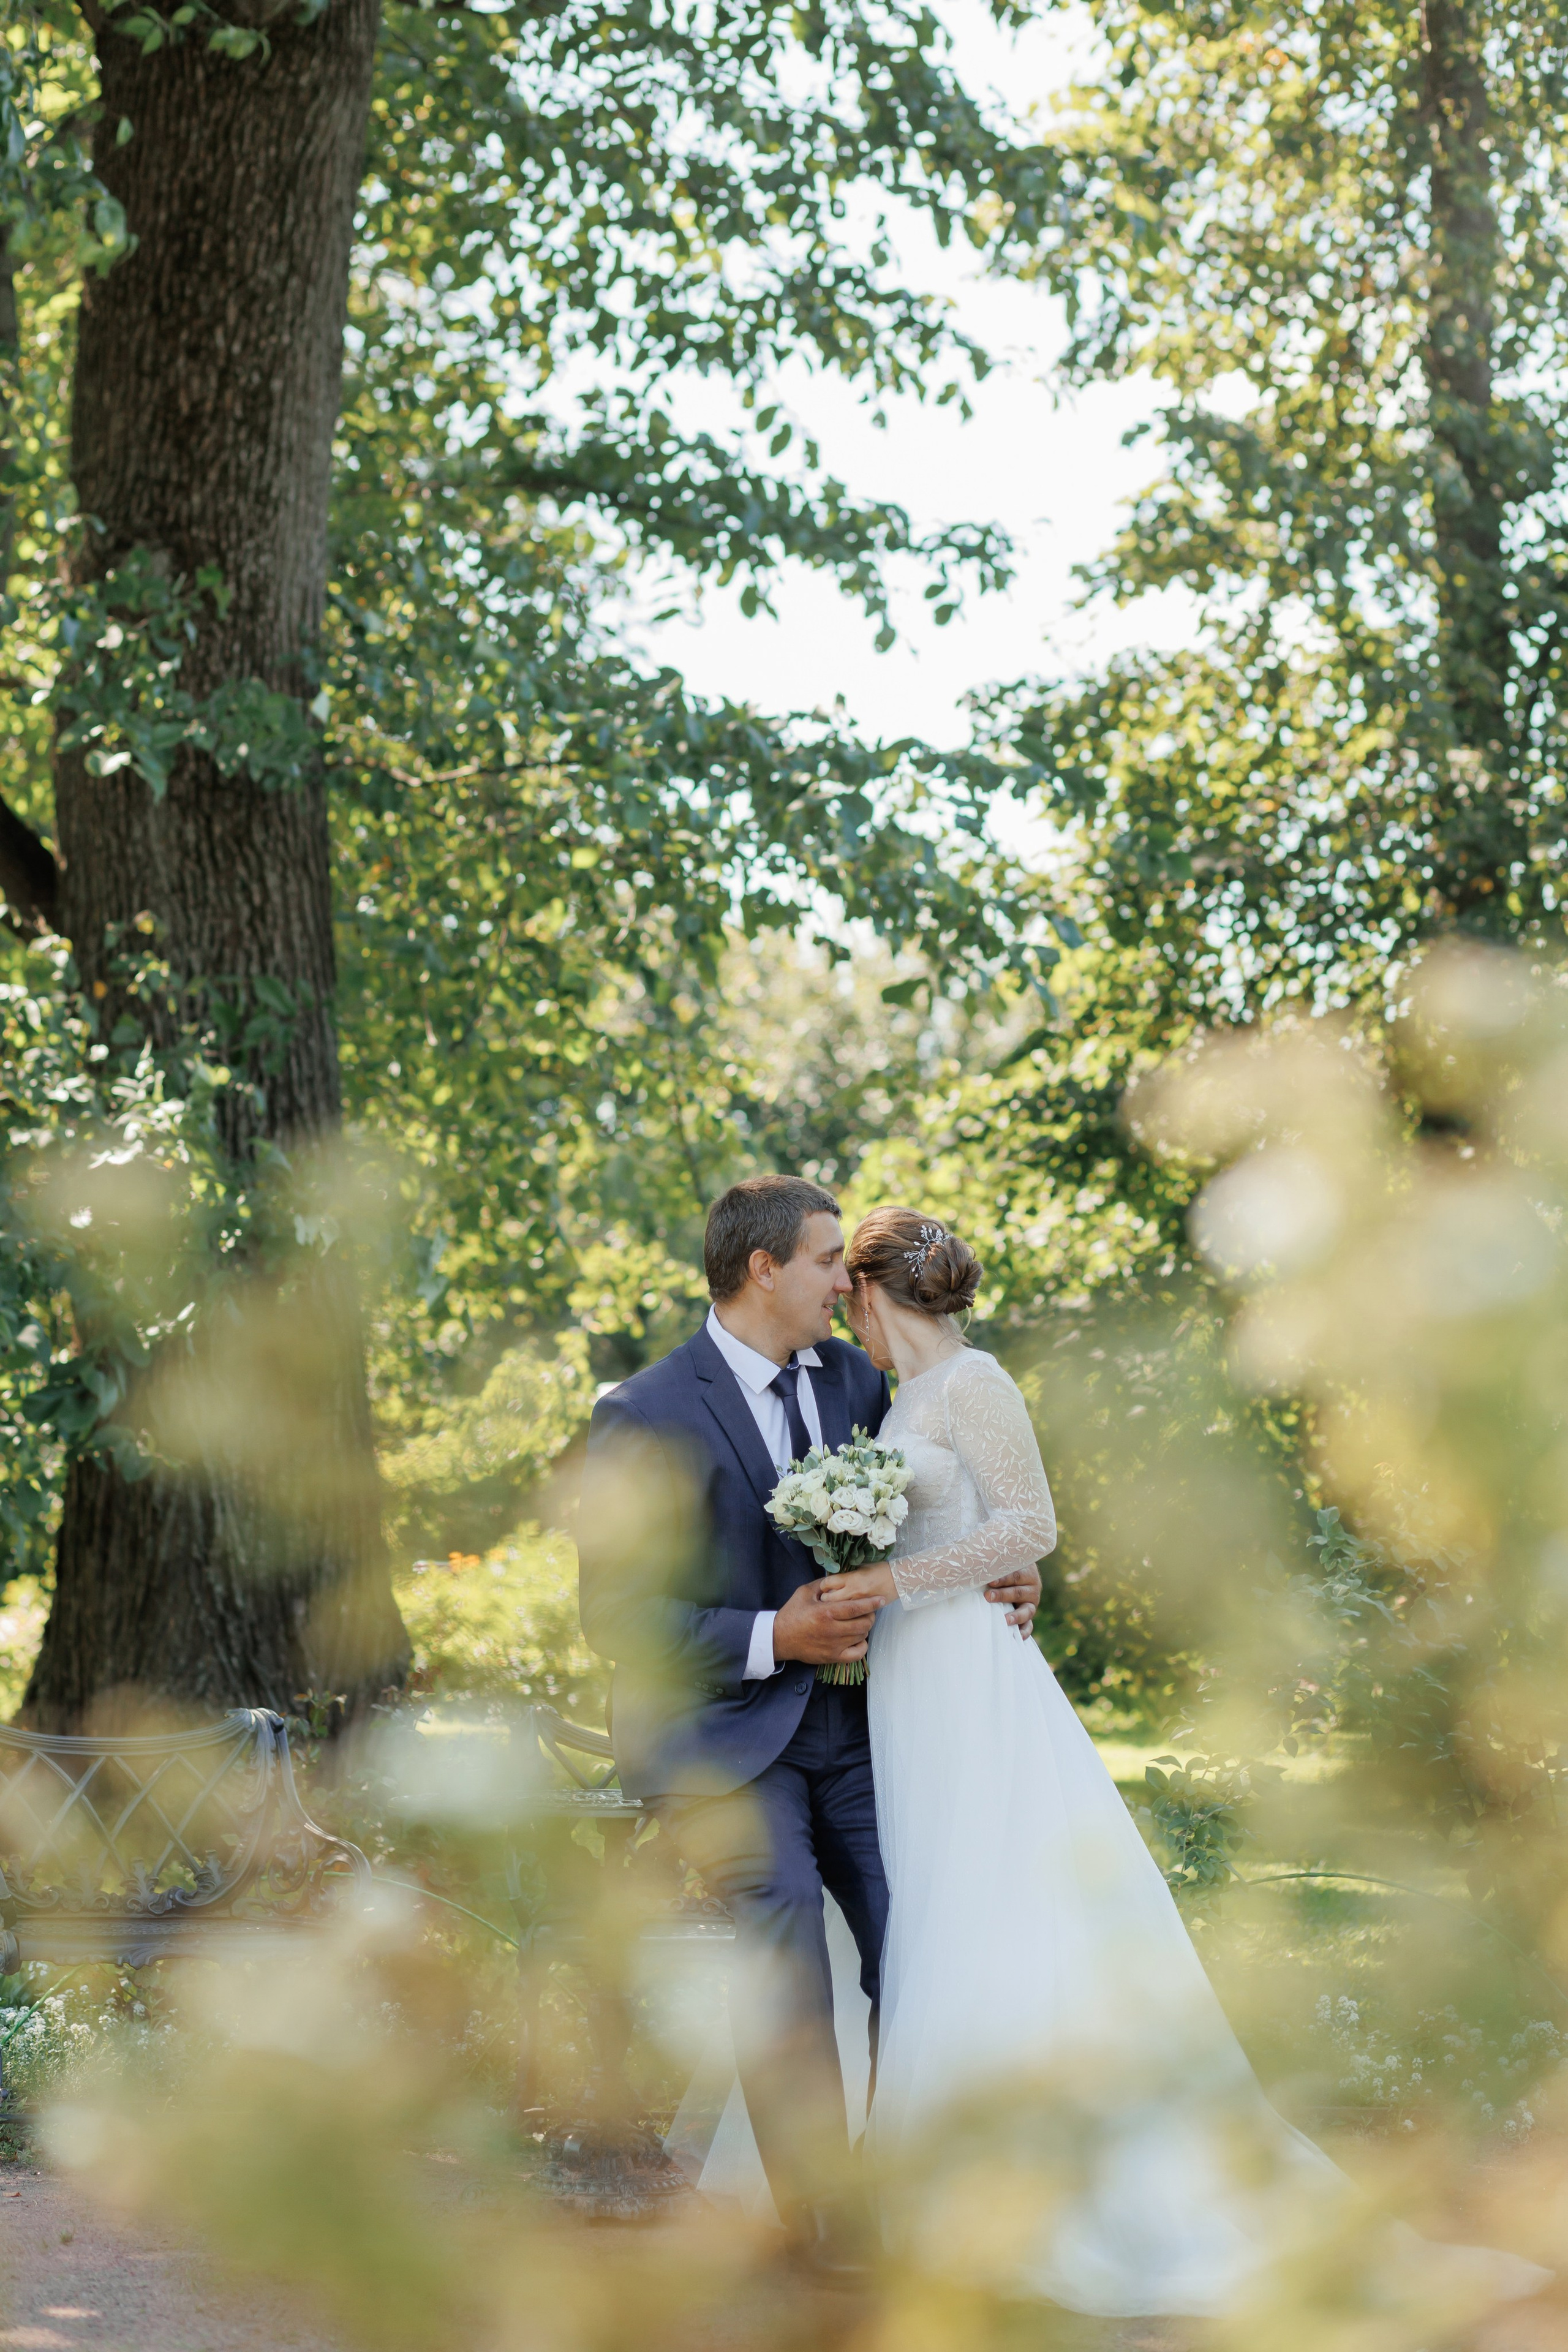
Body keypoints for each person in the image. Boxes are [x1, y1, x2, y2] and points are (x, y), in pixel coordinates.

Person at [820, 1205, 1547, 2318]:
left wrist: (895, 1585)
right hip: (911, 1682)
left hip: (969, 1670)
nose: (848, 1323)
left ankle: (1042, 2192)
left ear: (871, 1294)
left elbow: (1031, 1525)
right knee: (935, 1893)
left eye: (848, 1301)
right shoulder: (898, 1399)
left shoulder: (977, 1385)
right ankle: (954, 2179)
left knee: (993, 1891)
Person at [576, 1175, 1041, 2269]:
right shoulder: (641, 1413)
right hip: (724, 1743)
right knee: (784, 1927)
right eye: (831, 1260)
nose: (850, 1282)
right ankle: (824, 2234)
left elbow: (945, 1505)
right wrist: (770, 1638)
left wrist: (1012, 1570)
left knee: (916, 1937)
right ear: (763, 1270)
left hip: (861, 1736)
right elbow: (618, 1616)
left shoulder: (857, 1378)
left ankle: (896, 2187)